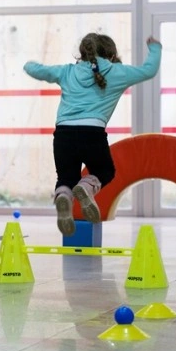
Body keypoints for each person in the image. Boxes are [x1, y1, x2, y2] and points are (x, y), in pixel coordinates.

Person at [23, 33, 162, 236]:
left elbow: (35, 70)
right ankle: (86, 189)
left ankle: (63, 197)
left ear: (82, 53)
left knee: (66, 177)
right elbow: (148, 70)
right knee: (105, 171)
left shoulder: (67, 71)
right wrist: (155, 48)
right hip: (92, 133)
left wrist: (29, 64)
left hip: (63, 134)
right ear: (112, 54)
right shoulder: (117, 72)